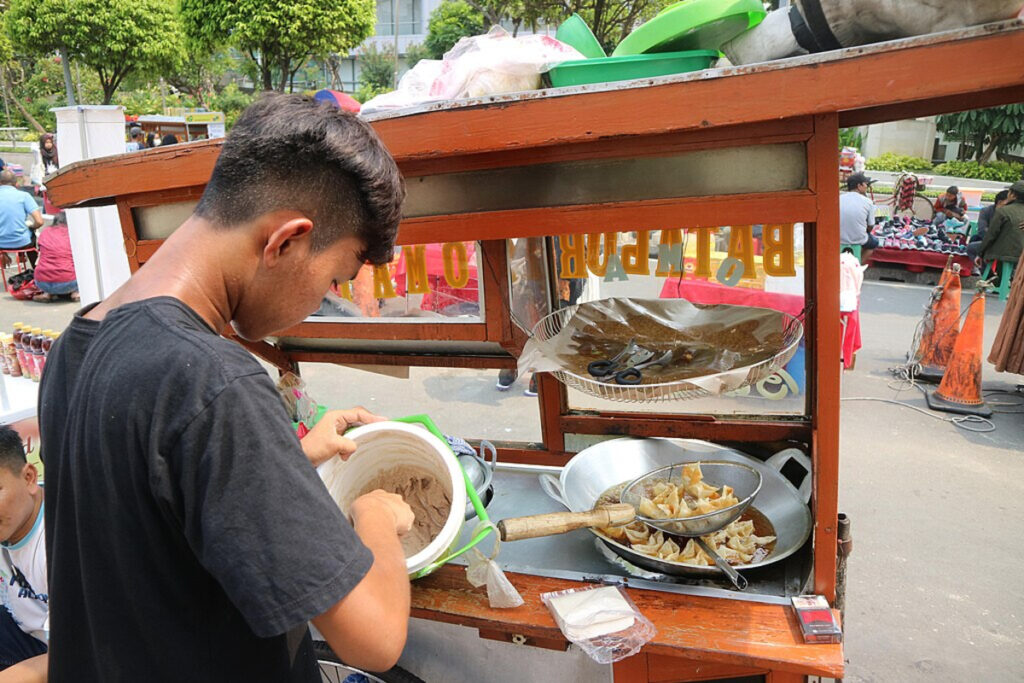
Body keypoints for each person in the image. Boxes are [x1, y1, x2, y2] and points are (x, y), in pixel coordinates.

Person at [38, 93, 412, 681]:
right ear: (286, 240)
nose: (320, 304)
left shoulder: (77, 342)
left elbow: (149, 511)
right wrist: (375, 518)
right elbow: (376, 638)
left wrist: (285, 457)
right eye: (334, 278)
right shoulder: (212, 382)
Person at [0, 425, 48, 679]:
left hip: (76, 653)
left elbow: (84, 652)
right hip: (24, 632)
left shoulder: (64, 540)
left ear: (29, 477)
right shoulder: (12, 520)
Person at [972, 180, 1024, 267]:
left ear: (1013, 195)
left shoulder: (1003, 211)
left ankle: (991, 278)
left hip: (1003, 254)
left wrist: (980, 253)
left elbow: (990, 235)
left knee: (979, 250)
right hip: (1021, 255)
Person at [31, 211, 78, 302]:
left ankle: (47, 293)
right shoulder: (73, 233)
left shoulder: (45, 232)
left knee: (48, 260)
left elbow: (41, 254)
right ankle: (76, 293)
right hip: (69, 282)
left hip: (41, 283)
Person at [0, 170, 44, 267]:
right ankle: (36, 268)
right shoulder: (24, 196)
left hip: (1, 243)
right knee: (29, 232)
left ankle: (3, 254)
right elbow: (39, 221)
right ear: (16, 184)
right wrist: (32, 227)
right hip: (21, 242)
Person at [839, 172, 879, 263]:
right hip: (858, 239)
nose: (867, 186)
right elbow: (871, 226)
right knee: (874, 243)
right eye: (866, 184)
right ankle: (858, 267)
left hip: (838, 238)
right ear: (859, 186)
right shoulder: (868, 202)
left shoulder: (839, 198)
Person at [967, 189, 1009, 256]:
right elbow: (982, 230)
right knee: (974, 240)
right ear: (999, 202)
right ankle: (981, 265)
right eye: (1007, 204)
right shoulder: (986, 211)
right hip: (988, 240)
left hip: (1005, 244)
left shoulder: (1010, 213)